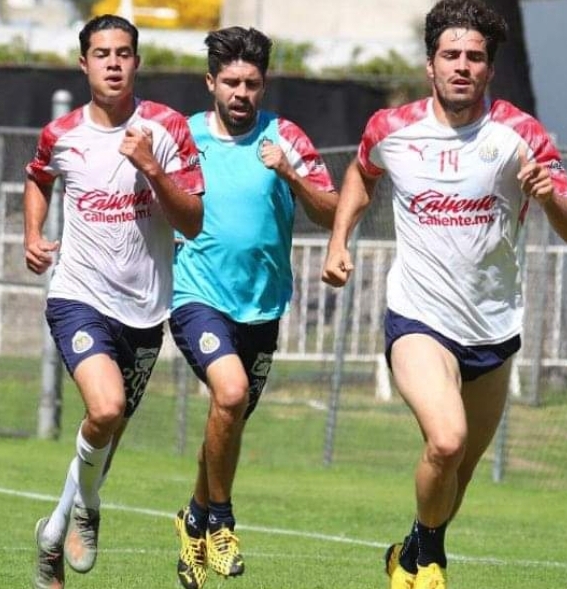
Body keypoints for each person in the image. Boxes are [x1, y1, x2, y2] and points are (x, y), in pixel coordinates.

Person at [321, 2, 567, 588]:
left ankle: (410, 551)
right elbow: (362, 175)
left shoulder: (520, 135)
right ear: (429, 65)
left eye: (475, 57)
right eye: (451, 55)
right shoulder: (391, 129)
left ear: (489, 69)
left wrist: (548, 196)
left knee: (458, 473)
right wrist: (341, 238)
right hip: (418, 319)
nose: (462, 66)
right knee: (446, 440)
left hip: (494, 327)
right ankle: (433, 560)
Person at [23, 14, 205, 589]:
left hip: (147, 310)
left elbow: (193, 222)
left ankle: (53, 535)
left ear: (137, 62)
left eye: (123, 52)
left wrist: (150, 166)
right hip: (78, 295)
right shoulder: (63, 134)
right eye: (101, 53)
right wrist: (32, 234)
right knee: (104, 410)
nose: (112, 63)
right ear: (84, 64)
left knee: (107, 433)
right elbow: (37, 178)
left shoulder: (167, 127)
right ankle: (89, 509)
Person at [169, 26, 338, 589]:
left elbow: (331, 208)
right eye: (232, 82)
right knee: (232, 393)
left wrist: (288, 172)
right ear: (211, 82)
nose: (242, 93)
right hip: (197, 296)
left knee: (228, 416)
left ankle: (192, 516)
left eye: (253, 84)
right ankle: (221, 520)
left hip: (262, 308)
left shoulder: (285, 136)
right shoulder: (183, 136)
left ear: (263, 86)